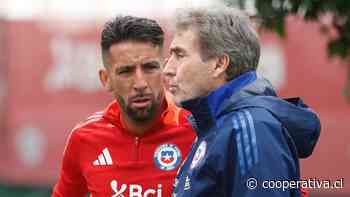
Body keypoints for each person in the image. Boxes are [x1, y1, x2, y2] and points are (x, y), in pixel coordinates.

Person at [164, 6, 320, 197]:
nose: (168, 69)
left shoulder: (251, 128)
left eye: (179, 55)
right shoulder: (217, 126)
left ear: (219, 64)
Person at [52, 15, 195, 197]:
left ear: (165, 70)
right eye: (126, 71)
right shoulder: (83, 138)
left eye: (150, 67)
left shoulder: (197, 131)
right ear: (106, 79)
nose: (140, 83)